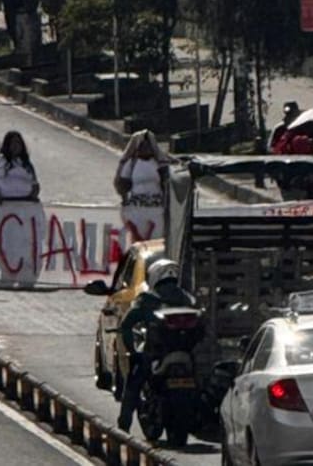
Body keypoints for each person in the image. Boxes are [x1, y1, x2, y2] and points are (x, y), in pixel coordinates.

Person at [117, 259, 195, 432]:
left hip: (155, 355)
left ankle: (123, 427)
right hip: (188, 355)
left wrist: (132, 351)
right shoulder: (188, 298)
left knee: (133, 383)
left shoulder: (147, 299)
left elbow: (126, 325)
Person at [114, 130, 171, 241]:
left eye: (148, 146)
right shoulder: (131, 164)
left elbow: (167, 184)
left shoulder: (159, 163)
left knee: (156, 242)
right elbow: (121, 186)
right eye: (142, 146)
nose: (145, 149)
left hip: (156, 210)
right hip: (137, 210)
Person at [0, 131, 39, 201]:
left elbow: (35, 185)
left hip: (23, 204)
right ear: (7, 145)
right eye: (12, 143)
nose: (15, 145)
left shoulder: (27, 164)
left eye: (18, 143)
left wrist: (33, 196)